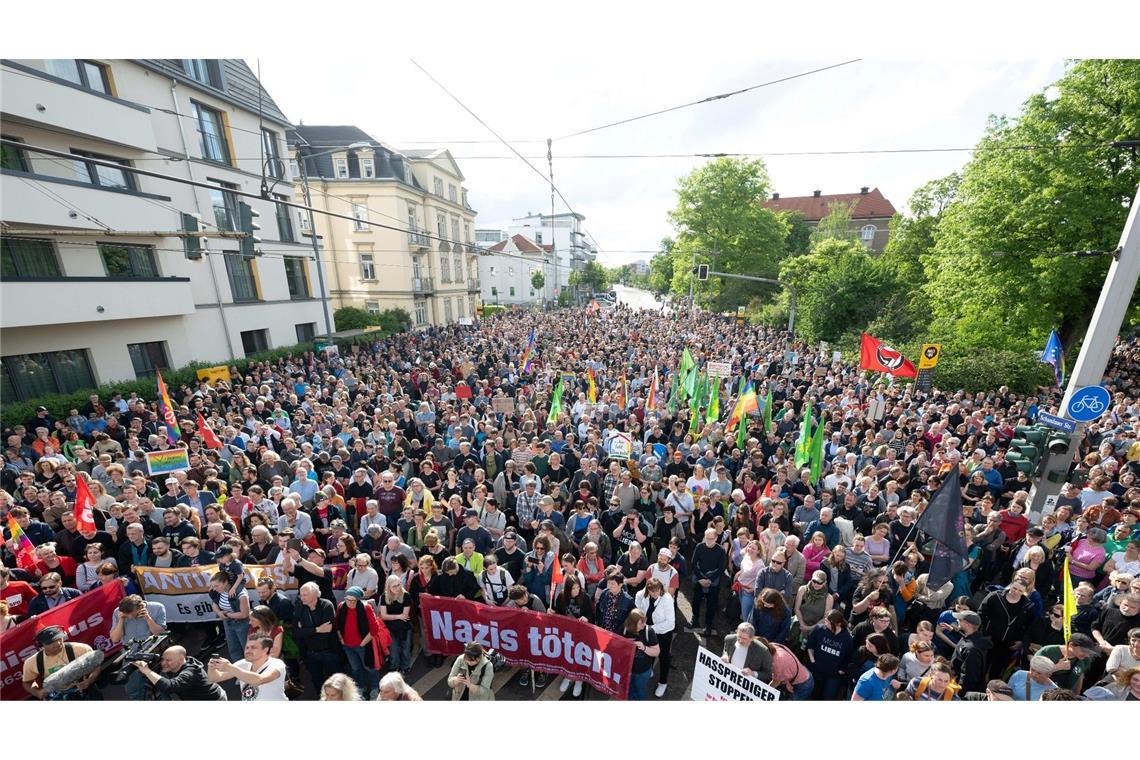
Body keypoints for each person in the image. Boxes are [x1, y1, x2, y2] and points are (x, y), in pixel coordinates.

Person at [110, 594, 168, 700]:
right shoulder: (119, 612)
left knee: (161, 684)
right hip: (131, 654)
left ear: (141, 607)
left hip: (153, 651)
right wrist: (121, 620)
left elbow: (159, 634)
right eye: (126, 615)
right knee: (133, 689)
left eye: (131, 614)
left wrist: (148, 619)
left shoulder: (157, 607)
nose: (129, 617)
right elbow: (115, 639)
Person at [335, 585, 387, 698]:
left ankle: (374, 688)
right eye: (347, 600)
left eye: (353, 601)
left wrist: (363, 643)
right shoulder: (341, 606)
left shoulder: (366, 608)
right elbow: (337, 625)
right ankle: (360, 687)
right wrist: (341, 639)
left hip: (362, 645)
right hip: (347, 645)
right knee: (355, 668)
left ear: (358, 600)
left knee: (369, 667)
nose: (349, 603)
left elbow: (374, 629)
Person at [21, 625, 98, 700]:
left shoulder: (81, 649)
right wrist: (37, 692)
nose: (57, 644)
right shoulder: (32, 663)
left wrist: (90, 679)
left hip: (86, 692)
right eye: (50, 642)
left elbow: (96, 666)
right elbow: (27, 683)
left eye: (58, 639)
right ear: (41, 645)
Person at [131, 645, 226, 701]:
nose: (163, 663)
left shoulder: (190, 672)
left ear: (181, 659)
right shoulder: (178, 663)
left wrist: (148, 671)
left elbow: (170, 687)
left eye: (168, 660)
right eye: (162, 659)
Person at [207, 636, 288, 701]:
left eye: (253, 647)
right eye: (247, 647)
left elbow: (259, 680)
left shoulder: (277, 664)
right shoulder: (243, 663)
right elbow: (215, 678)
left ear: (265, 650)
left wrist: (230, 667)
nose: (248, 651)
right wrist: (212, 667)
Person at [293, 581, 339, 691]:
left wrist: (305, 630)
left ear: (314, 594)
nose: (302, 597)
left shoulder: (327, 605)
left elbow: (327, 631)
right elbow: (296, 632)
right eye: (301, 594)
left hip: (329, 651)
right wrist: (317, 629)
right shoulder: (299, 606)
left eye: (305, 595)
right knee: (317, 681)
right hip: (310, 652)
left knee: (335, 681)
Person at [635, 577, 675, 697]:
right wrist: (639, 613)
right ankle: (649, 671)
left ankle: (663, 683)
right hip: (649, 629)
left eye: (657, 591)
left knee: (663, 657)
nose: (654, 593)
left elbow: (670, 623)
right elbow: (638, 596)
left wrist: (651, 629)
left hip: (664, 633)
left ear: (661, 589)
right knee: (649, 652)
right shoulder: (645, 593)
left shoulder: (667, 600)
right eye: (652, 591)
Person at [806, 610, 853, 700]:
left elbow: (848, 656)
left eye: (828, 622)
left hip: (833, 676)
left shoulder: (847, 638)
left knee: (828, 697)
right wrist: (813, 661)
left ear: (838, 624)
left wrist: (841, 670)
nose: (825, 623)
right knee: (813, 695)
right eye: (826, 620)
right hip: (816, 670)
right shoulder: (819, 629)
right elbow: (810, 645)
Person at [689, 527, 726, 637]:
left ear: (716, 538)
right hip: (700, 577)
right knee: (696, 600)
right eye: (707, 538)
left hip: (713, 580)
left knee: (711, 604)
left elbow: (721, 568)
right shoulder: (699, 547)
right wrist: (700, 578)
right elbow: (693, 563)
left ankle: (708, 624)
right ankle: (695, 619)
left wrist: (709, 579)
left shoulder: (721, 550)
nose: (709, 541)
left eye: (711, 539)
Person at [208, 570, 250, 664]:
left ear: (226, 582)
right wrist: (219, 613)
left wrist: (227, 614)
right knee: (234, 649)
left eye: (216, 586)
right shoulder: (219, 592)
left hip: (242, 624)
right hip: (228, 623)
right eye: (213, 586)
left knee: (247, 649)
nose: (214, 589)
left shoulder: (241, 594)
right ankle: (239, 672)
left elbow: (244, 614)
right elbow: (214, 604)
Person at [947, 610, 992, 694]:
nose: (957, 621)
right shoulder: (972, 638)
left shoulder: (971, 650)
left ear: (968, 625)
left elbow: (968, 676)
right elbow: (965, 640)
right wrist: (953, 632)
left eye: (960, 620)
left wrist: (959, 693)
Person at [379, 575, 414, 675]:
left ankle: (406, 666)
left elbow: (405, 615)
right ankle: (394, 667)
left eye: (399, 585)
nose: (398, 588)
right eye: (394, 586)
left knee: (405, 649)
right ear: (388, 587)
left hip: (404, 627)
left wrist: (393, 617)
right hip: (390, 628)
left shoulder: (406, 595)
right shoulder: (384, 596)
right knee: (393, 649)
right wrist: (399, 616)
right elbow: (383, 616)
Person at [623, 608, 660, 700]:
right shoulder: (624, 629)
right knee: (628, 691)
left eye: (644, 621)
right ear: (632, 624)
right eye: (641, 623)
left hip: (642, 672)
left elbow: (656, 652)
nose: (644, 625)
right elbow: (614, 644)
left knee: (640, 692)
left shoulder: (649, 631)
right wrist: (624, 642)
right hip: (627, 671)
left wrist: (643, 647)